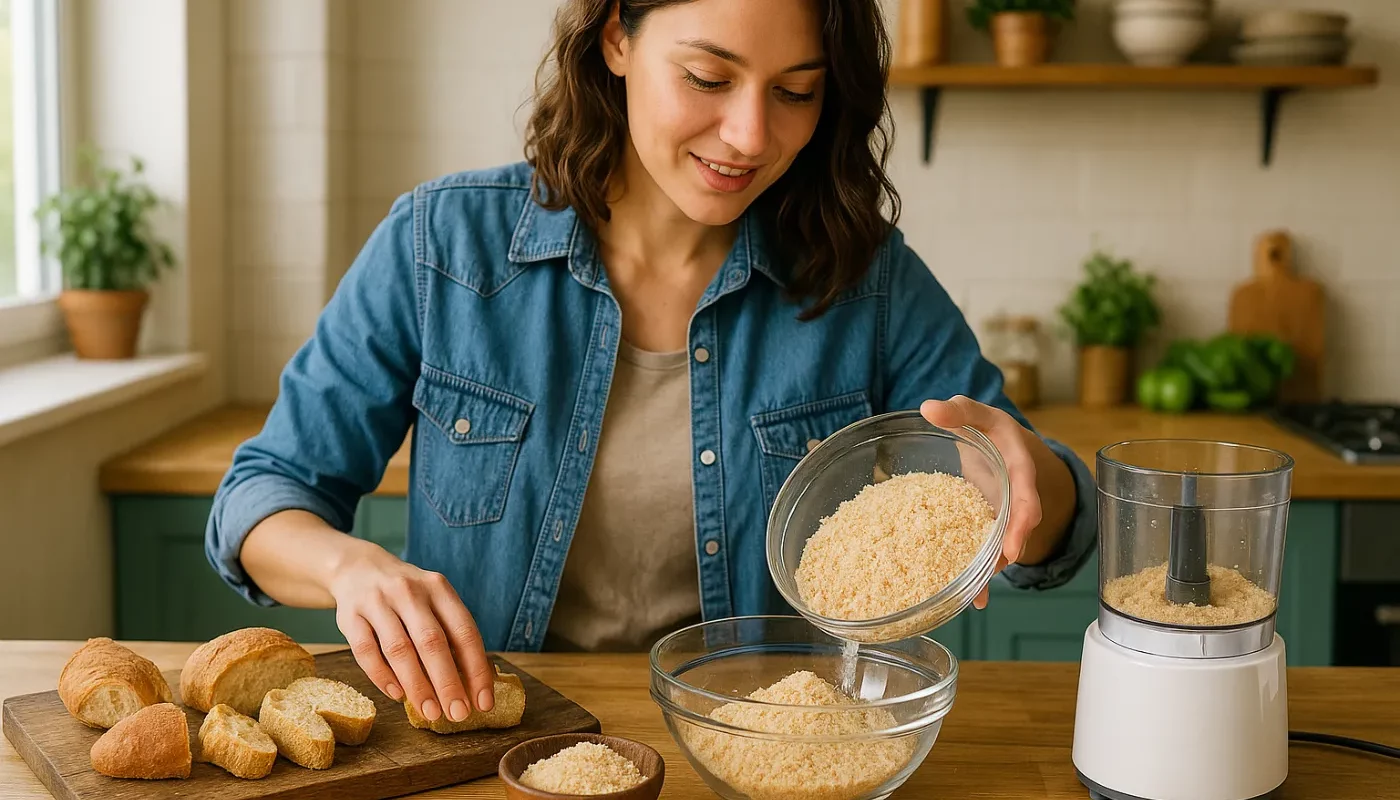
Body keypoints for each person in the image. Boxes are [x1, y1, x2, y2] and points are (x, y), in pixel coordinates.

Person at [205, 0, 1097, 731]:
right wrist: (347, 568)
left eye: (795, 92)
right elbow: (262, 494)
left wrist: (1033, 484)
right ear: (619, 39)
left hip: (757, 752)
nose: (749, 134)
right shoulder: (441, 246)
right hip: (493, 743)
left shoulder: (866, 280)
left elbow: (1040, 513)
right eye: (708, 78)